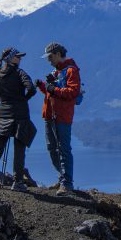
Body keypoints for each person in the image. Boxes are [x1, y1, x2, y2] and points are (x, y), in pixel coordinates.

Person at [0, 47, 38, 192]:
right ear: (11, 58)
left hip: (3, 116)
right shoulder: (20, 73)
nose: (20, 59)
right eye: (18, 56)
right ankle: (17, 182)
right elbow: (31, 88)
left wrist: (6, 97)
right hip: (21, 116)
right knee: (19, 149)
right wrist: (24, 98)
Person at [35, 41, 81, 195]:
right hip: (50, 116)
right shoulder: (57, 71)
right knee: (52, 148)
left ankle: (67, 183)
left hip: (62, 117)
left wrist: (52, 88)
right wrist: (43, 86)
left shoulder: (71, 71)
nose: (48, 60)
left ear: (57, 54)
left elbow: (72, 93)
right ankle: (62, 178)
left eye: (50, 57)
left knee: (63, 150)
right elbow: (52, 93)